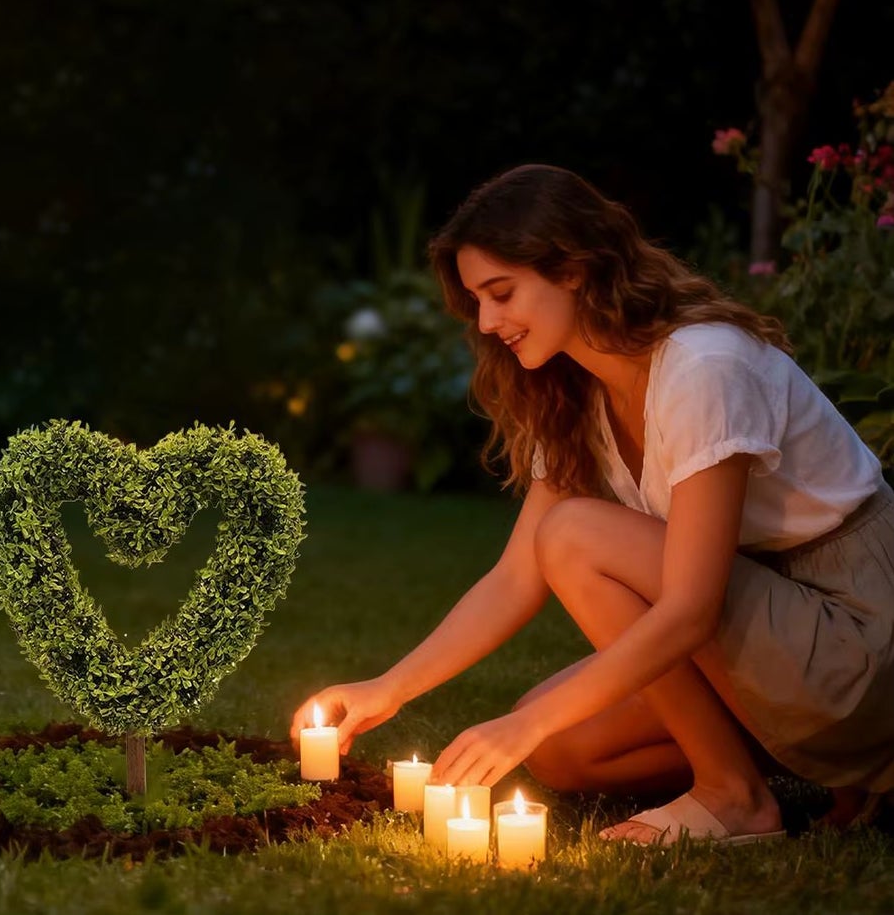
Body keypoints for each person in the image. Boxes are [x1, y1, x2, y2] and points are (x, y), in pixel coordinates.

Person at [292, 164, 894, 844]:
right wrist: (389, 687)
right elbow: (514, 578)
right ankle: (812, 765)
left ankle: (735, 795)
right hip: (776, 628)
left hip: (860, 637)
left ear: (573, 267)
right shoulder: (577, 393)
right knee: (561, 746)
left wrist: (525, 722)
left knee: (573, 536)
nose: (487, 323)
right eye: (476, 302)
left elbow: (690, 609)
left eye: (501, 292)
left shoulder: (701, 365)